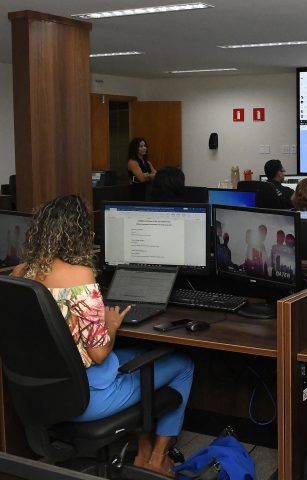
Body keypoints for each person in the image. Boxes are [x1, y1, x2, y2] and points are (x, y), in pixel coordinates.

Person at [11, 195, 193, 477]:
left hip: (44, 396)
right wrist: (111, 325)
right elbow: (99, 354)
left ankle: (142, 453)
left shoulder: (18, 274)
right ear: (80, 234)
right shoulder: (79, 275)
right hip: (88, 398)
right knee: (184, 364)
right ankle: (157, 458)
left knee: (140, 355)